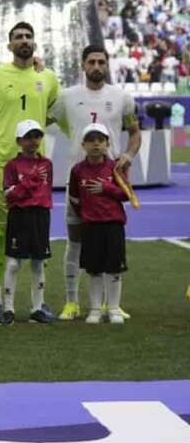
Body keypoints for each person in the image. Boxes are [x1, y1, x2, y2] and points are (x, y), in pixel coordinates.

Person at [0, 22, 58, 322]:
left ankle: (38, 304)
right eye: (18, 37)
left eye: (28, 36)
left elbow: (54, 113)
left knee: (37, 241)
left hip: (37, 174)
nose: (24, 40)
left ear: (34, 43)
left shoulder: (47, 78)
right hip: (0, 169)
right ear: (9, 45)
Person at [49, 45, 140, 321]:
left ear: (107, 65)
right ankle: (72, 302)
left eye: (101, 61)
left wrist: (127, 154)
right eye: (91, 62)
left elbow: (135, 133)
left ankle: (109, 305)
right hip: (77, 181)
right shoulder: (66, 97)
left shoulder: (122, 97)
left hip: (110, 184)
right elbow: (41, 120)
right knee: (75, 241)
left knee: (111, 245)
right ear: (83, 65)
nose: (97, 66)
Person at [68, 123, 130, 325]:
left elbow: (126, 194)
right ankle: (95, 309)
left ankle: (113, 309)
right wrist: (87, 215)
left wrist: (107, 187)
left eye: (100, 141)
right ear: (83, 145)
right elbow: (75, 199)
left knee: (114, 268)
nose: (96, 145)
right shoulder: (77, 170)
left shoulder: (115, 167)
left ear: (107, 144)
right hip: (91, 226)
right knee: (93, 269)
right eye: (91, 141)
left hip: (113, 225)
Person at [0, 120, 54, 326]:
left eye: (37, 136)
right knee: (14, 263)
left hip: (40, 216)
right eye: (28, 137)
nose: (33, 141)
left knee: (39, 263)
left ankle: (37, 309)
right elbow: (9, 195)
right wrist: (30, 180)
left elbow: (45, 192)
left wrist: (26, 189)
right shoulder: (12, 166)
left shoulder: (47, 164)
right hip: (19, 216)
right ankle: (8, 309)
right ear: (19, 141)